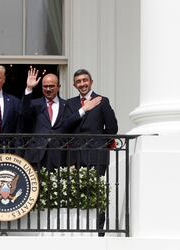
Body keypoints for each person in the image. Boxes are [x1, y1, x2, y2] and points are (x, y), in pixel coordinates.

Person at [63, 68, 118, 236]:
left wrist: (101, 145)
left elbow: (112, 128)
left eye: (85, 80)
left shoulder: (102, 101)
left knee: (98, 192)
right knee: (77, 191)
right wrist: (84, 109)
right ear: (74, 85)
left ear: (91, 82)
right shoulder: (70, 104)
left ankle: (99, 232)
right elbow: (64, 127)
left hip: (97, 154)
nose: (82, 84)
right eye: (78, 81)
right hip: (76, 156)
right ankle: (80, 231)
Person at [19, 68, 66, 170]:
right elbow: (23, 112)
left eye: (51, 86)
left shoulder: (66, 105)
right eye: (45, 86)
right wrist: (29, 88)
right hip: (36, 154)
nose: (48, 89)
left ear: (58, 87)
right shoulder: (35, 104)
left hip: (58, 156)